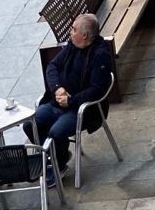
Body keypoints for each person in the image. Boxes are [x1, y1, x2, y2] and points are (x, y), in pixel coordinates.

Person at [28, 12, 113, 183]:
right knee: (30, 125)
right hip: (57, 102)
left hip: (81, 109)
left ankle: (58, 165)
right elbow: (52, 66)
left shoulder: (100, 55)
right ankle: (59, 155)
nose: (70, 32)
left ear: (84, 35)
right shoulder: (73, 46)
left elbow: (97, 89)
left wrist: (71, 100)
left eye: (73, 29)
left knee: (56, 132)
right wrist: (58, 89)